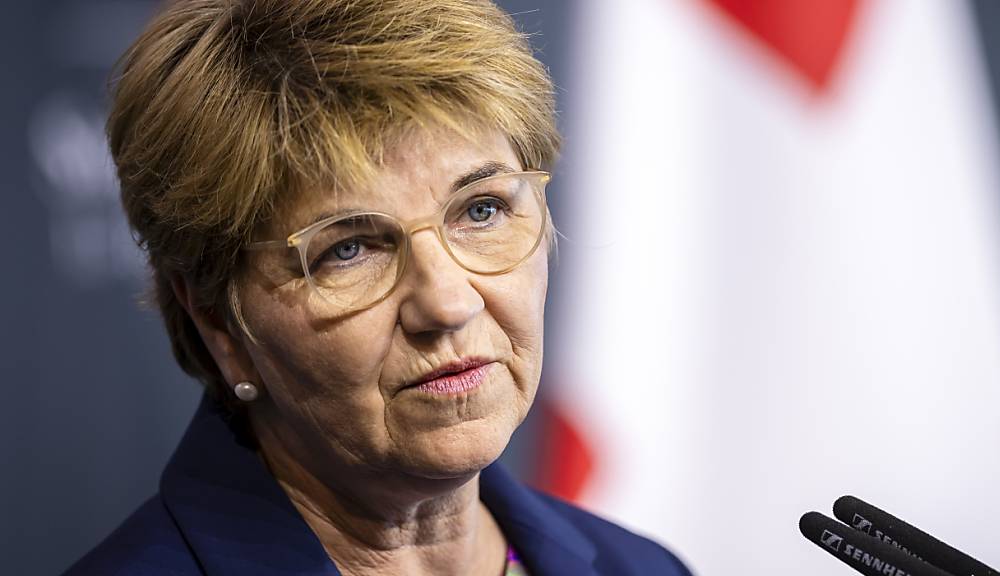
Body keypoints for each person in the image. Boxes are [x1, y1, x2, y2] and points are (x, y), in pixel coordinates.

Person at [64, 1, 692, 574]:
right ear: (218, 322)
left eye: (481, 210)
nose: (449, 303)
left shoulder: (641, 568)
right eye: (350, 249)